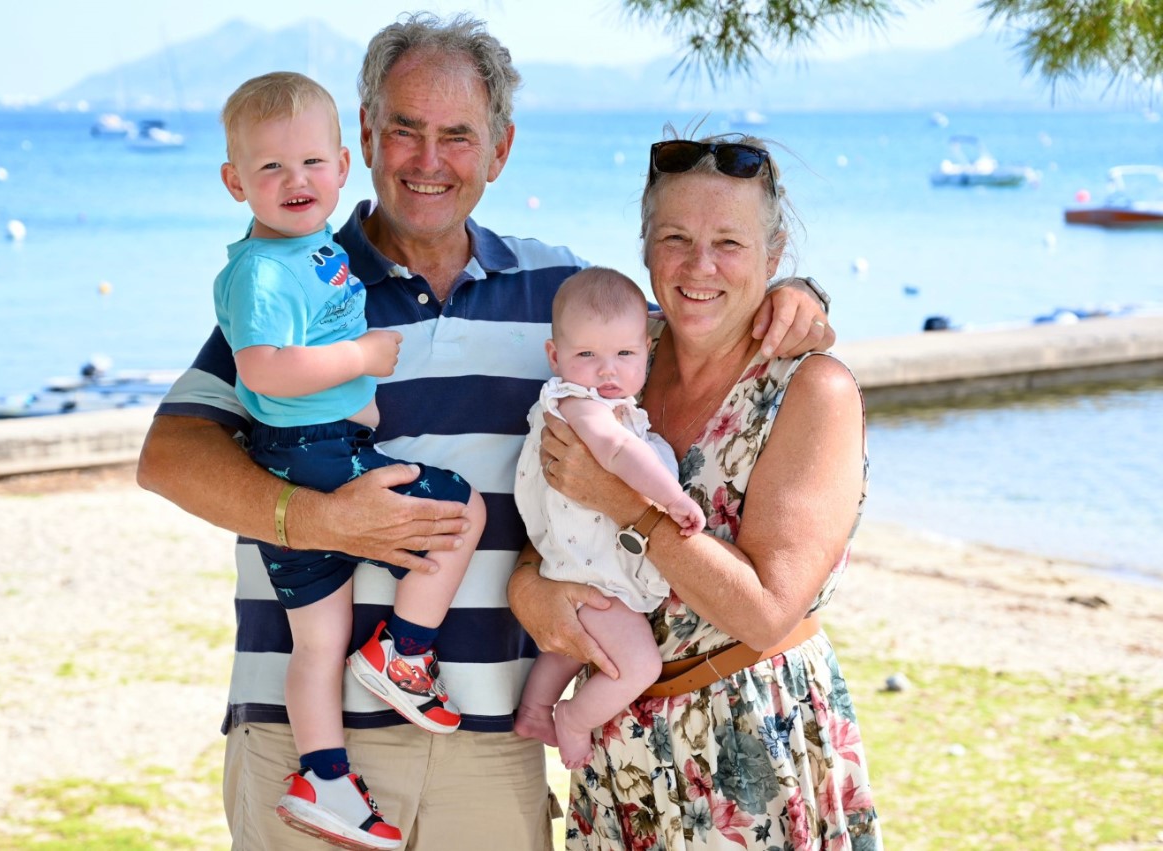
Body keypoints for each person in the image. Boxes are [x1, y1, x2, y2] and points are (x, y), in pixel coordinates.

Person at [137, 13, 835, 851]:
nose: (428, 160)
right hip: (308, 749)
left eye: (459, 136)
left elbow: (699, 304)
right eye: (405, 130)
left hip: (490, 745)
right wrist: (321, 521)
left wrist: (795, 297)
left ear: (499, 151)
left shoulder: (559, 294)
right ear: (366, 138)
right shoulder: (300, 279)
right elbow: (168, 456)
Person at [509, 134, 880, 849]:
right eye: (675, 238)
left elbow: (765, 611)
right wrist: (529, 589)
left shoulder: (811, 389)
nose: (698, 265)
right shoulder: (619, 356)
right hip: (617, 748)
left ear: (774, 256)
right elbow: (554, 511)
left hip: (752, 745)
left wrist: (631, 507)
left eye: (729, 243)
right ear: (645, 248)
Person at [212, 70, 486, 848]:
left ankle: (325, 777)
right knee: (461, 509)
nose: (294, 180)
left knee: (318, 641)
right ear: (235, 182)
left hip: (312, 449)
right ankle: (404, 648)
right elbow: (264, 370)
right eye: (270, 167)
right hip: (314, 454)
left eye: (310, 163)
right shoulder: (262, 270)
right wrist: (362, 358)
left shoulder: (313, 251)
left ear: (340, 165)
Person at [512, 266, 705, 770]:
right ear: (555, 356)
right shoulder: (579, 404)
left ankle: (535, 709)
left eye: (624, 354)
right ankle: (573, 718)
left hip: (576, 562)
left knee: (572, 644)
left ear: (647, 349)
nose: (607, 372)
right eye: (586, 356)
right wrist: (673, 499)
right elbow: (617, 452)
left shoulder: (599, 403)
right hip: (594, 569)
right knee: (639, 665)